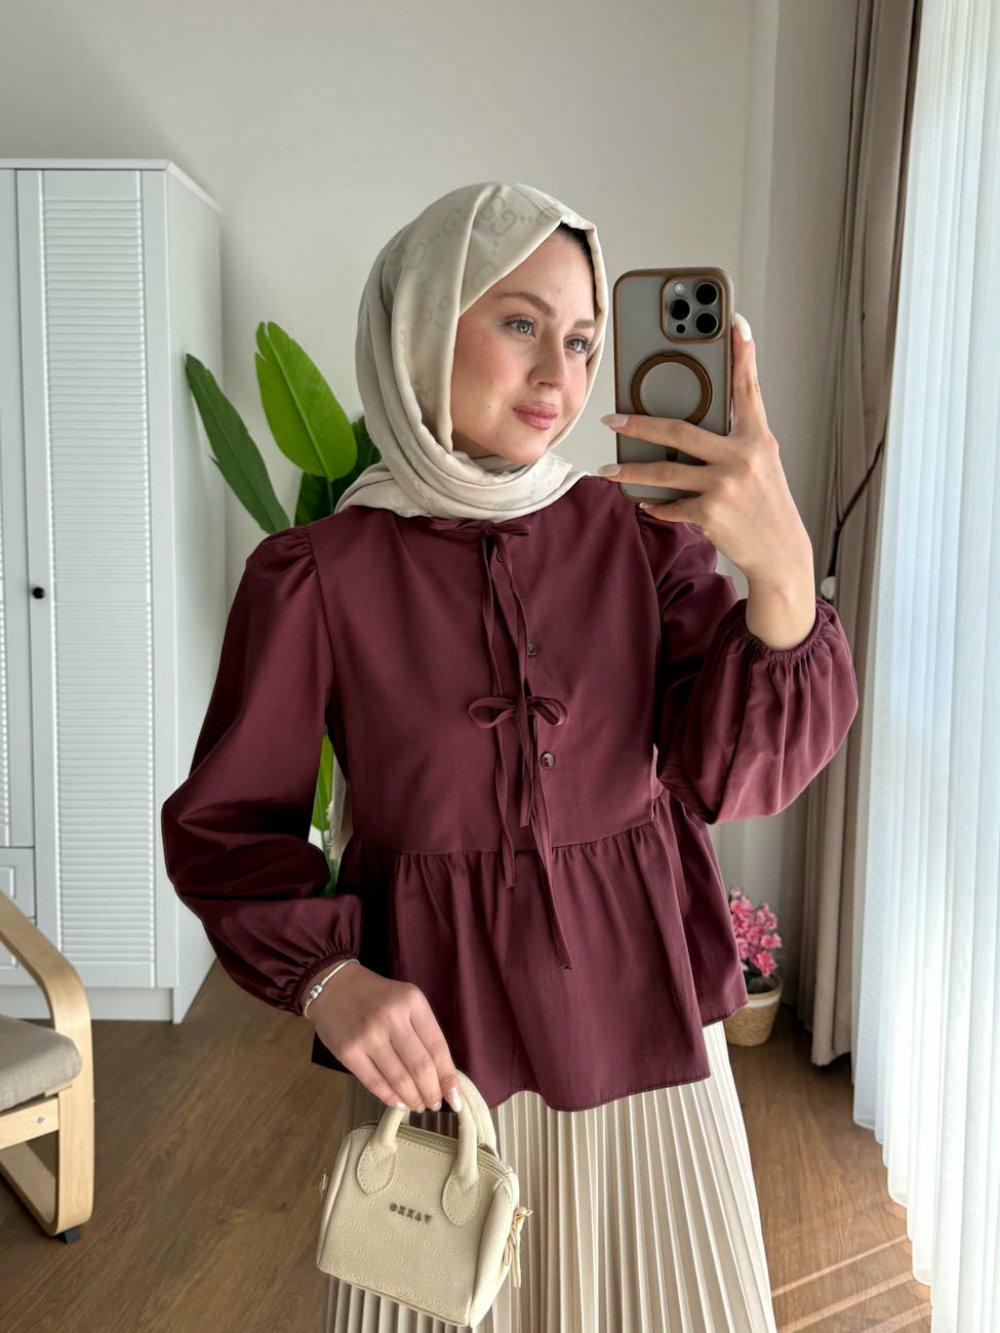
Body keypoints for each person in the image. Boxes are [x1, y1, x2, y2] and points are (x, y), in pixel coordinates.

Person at [161, 181, 859, 1332]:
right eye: (521, 322)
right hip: (439, 1046)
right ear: (421, 323)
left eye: (582, 340)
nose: (558, 376)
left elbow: (733, 777)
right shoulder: (314, 574)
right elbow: (227, 827)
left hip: (642, 1015)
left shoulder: (643, 539)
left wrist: (780, 574)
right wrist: (330, 981)